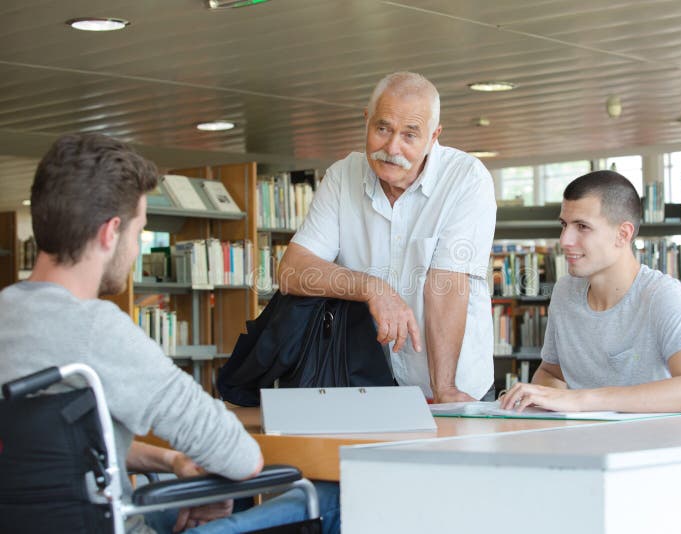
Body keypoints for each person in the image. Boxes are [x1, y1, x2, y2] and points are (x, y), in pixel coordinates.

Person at [0, 133, 340, 534]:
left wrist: (170, 461)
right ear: (111, 232)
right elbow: (239, 456)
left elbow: (56, 452)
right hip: (116, 525)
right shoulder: (96, 330)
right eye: (138, 230)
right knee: (329, 499)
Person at [278, 71, 497, 403]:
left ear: (434, 136)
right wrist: (372, 288)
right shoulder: (342, 176)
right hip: (369, 387)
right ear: (367, 120)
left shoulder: (466, 178)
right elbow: (292, 270)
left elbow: (447, 286)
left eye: (410, 135)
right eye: (383, 129)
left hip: (454, 388)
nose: (392, 147)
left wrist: (445, 389)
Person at [499, 170, 681, 413]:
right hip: (581, 444)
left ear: (622, 234)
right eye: (564, 225)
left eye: (582, 226)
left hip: (648, 446)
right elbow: (551, 372)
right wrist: (548, 398)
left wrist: (581, 401)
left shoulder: (661, 295)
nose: (564, 240)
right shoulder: (564, 292)